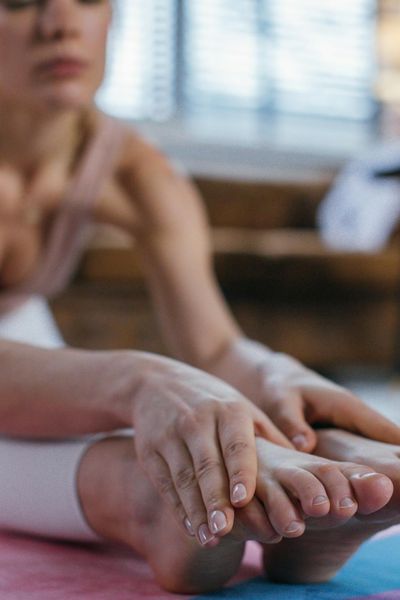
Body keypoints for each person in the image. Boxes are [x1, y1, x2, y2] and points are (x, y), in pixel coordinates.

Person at [0, 0, 400, 593]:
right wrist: (141, 381)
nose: (61, 23)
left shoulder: (138, 174)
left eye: (86, 0)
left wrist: (275, 377)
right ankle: (142, 496)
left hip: (21, 335)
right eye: (19, 2)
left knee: (201, 416)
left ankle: (317, 470)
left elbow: (212, 345)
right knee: (148, 430)